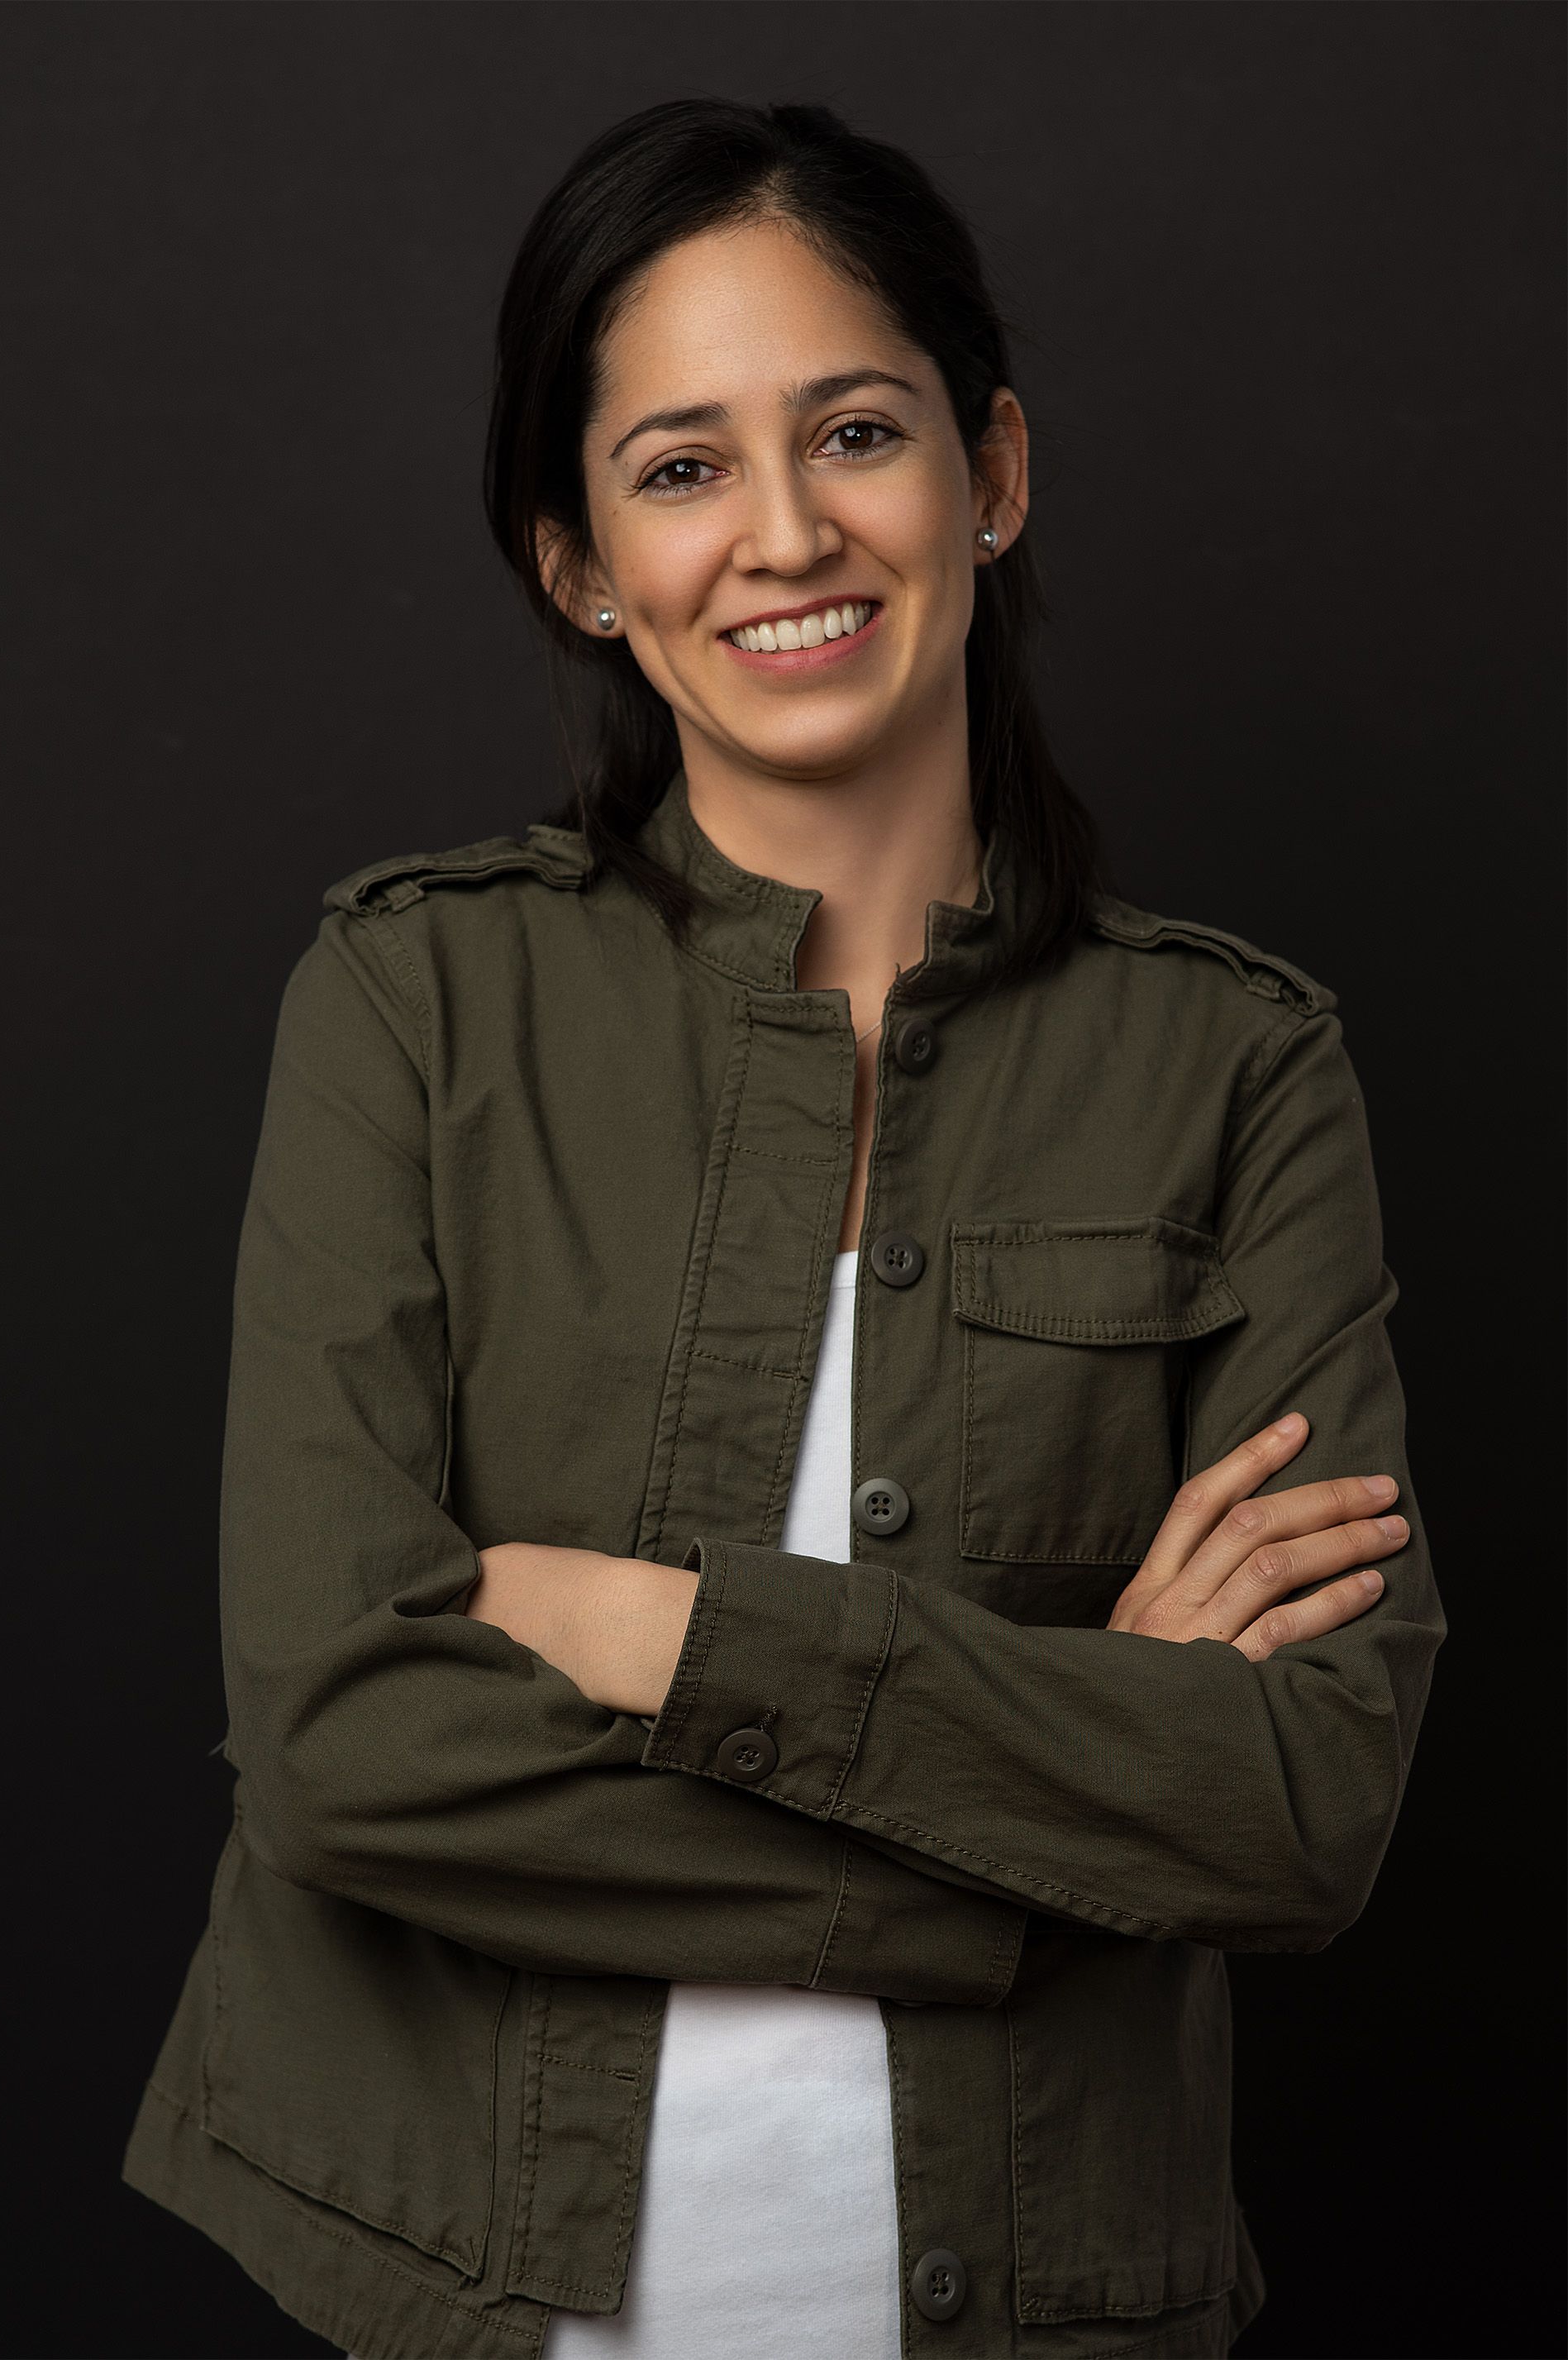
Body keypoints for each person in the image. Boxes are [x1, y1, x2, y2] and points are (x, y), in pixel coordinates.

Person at [121, 98, 1446, 2360]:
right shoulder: (414, 1000)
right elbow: (340, 1745)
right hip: (451, 2284)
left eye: (852, 429)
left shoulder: (1234, 1069)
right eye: (677, 464)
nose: (783, 533)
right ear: (576, 561)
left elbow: (1300, 1807)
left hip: (1042, 2305)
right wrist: (1057, 1811)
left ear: (990, 473)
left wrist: (651, 1629)